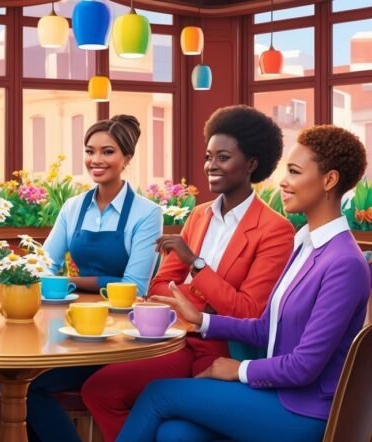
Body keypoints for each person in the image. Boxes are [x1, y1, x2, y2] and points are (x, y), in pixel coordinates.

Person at [119, 125, 370, 442]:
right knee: (176, 434)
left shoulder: (345, 263)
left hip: (303, 411)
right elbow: (266, 328)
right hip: (276, 393)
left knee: (157, 394)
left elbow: (305, 366)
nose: (283, 182)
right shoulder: (304, 244)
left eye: (294, 172)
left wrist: (238, 369)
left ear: (329, 180)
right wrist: (203, 321)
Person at [82, 105, 295, 440]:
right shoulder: (199, 216)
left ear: (252, 164)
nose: (211, 166)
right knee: (100, 390)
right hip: (177, 341)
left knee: (175, 432)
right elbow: (158, 287)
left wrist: (195, 266)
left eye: (223, 157)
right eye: (209, 156)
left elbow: (249, 312)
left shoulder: (275, 230)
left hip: (224, 349)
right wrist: (196, 303)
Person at [26, 115, 163, 441]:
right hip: (73, 327)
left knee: (33, 388)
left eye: (108, 152)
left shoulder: (147, 213)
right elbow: (45, 264)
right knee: (21, 381)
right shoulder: (73, 207)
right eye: (90, 151)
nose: (96, 160)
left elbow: (134, 287)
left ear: (126, 158)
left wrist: (73, 282)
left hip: (118, 335)